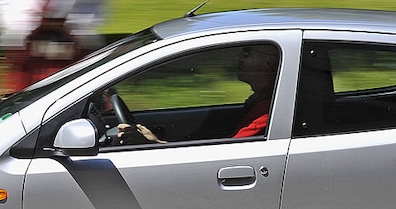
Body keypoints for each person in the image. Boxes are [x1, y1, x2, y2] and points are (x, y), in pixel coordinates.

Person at [117, 44, 280, 145]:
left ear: (269, 64)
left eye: (247, 53)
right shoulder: (260, 99)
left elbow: (229, 156)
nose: (239, 58)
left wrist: (154, 143)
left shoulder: (267, 113)